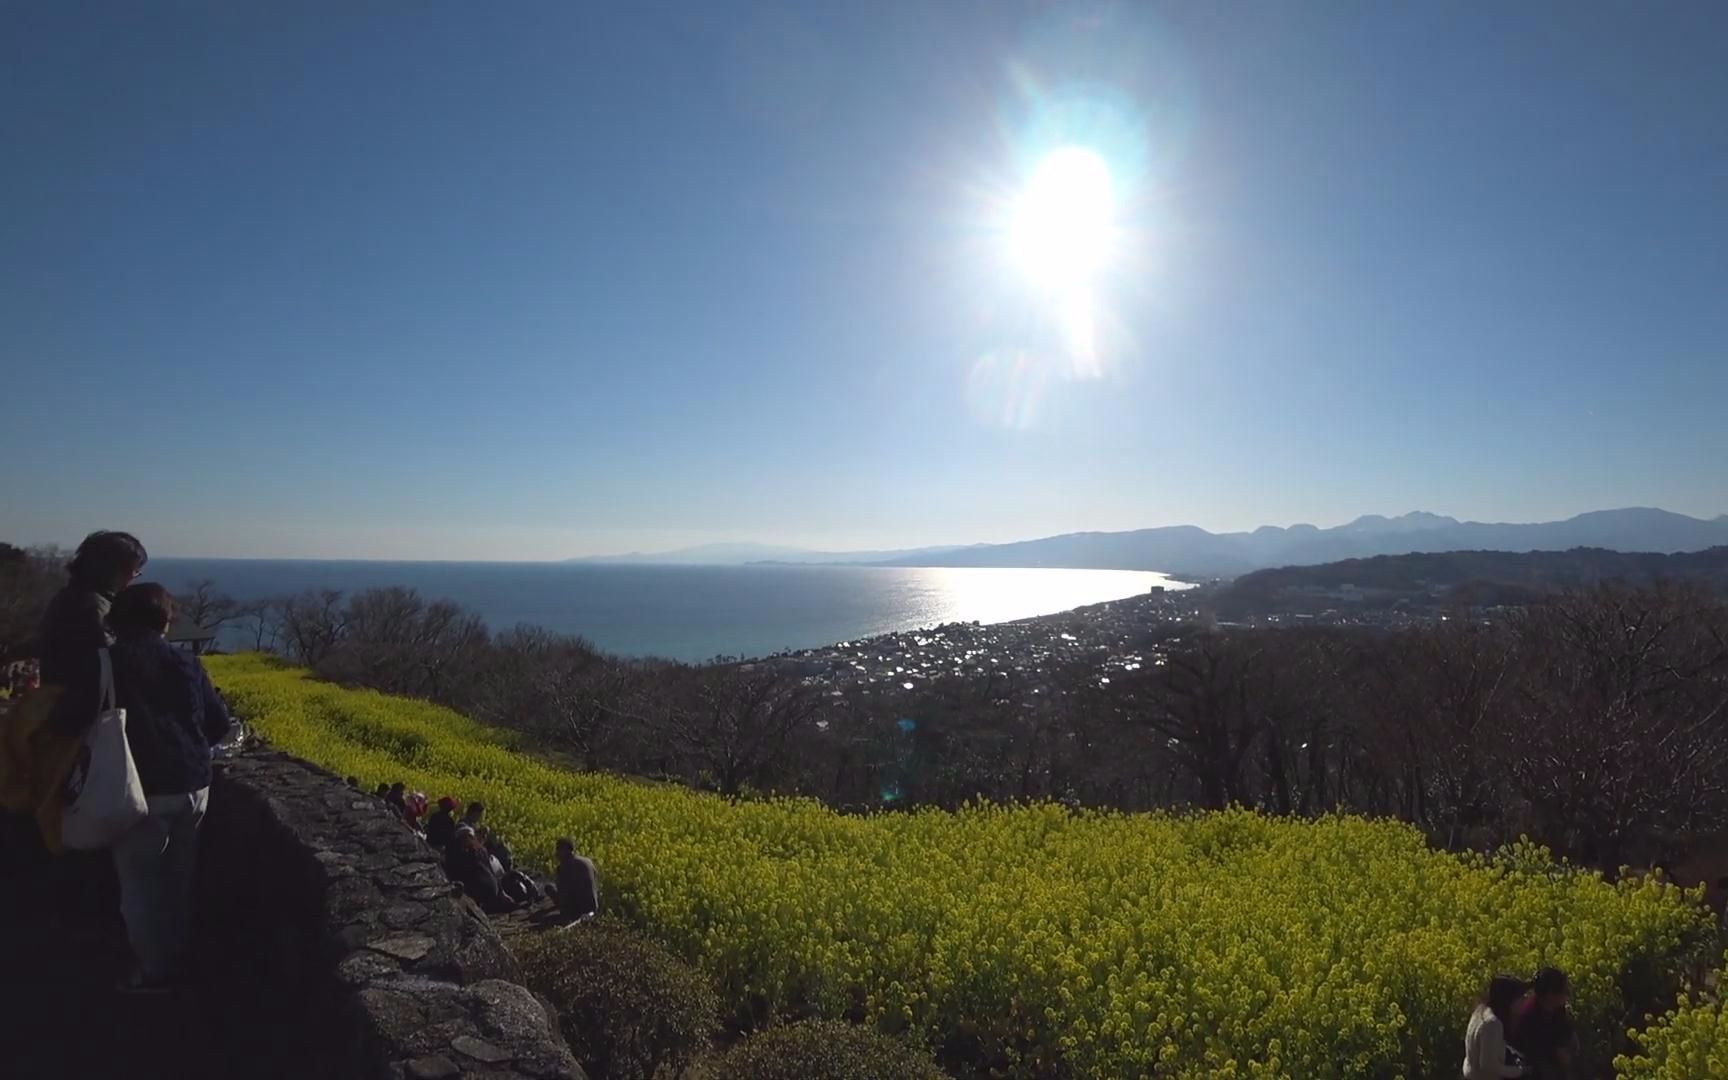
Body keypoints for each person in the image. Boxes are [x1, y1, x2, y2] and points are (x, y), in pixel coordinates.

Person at [107, 583, 232, 991]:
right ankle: (178, 959)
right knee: (179, 880)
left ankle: (153, 972)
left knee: (140, 884)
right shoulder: (186, 664)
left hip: (137, 786)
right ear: (164, 620)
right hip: (194, 783)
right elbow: (218, 724)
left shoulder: (106, 663)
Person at [1510, 968, 1576, 1080]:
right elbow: (1535, 1054)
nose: (1567, 994)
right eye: (1564, 991)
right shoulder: (1530, 1017)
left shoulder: (1558, 1009)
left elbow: (1564, 1029)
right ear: (1550, 994)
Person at [1464, 974, 1531, 1079]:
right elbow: (1488, 1066)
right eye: (1520, 997)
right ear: (1508, 1001)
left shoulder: (1480, 1012)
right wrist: (1520, 1071)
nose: (1525, 999)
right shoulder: (1492, 1024)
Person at [443, 827, 514, 914]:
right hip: (477, 898)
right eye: (465, 838)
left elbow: (491, 871)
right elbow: (459, 877)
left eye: (471, 837)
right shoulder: (458, 858)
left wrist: (502, 892)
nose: (469, 840)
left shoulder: (481, 852)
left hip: (493, 894)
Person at [552, 837, 599, 923]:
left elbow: (564, 891)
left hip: (578, 911)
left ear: (564, 850)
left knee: (550, 888)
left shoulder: (565, 866)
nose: (557, 853)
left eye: (558, 850)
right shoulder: (588, 861)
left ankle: (567, 916)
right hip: (593, 907)